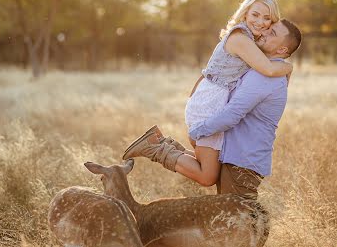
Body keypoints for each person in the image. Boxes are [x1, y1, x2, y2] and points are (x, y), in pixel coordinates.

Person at [122, 18, 302, 199]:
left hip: (244, 159)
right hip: (236, 154)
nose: (264, 32)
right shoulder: (261, 68)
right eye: (268, 29)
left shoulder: (265, 77)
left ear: (282, 50)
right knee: (234, 214)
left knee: (236, 218)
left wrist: (199, 131)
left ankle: (157, 146)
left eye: (272, 33)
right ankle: (158, 145)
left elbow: (233, 113)